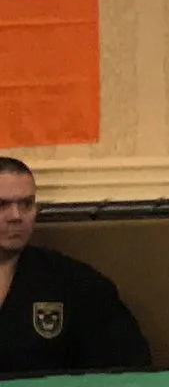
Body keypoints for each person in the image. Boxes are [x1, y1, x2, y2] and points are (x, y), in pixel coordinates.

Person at [0, 157, 151, 375]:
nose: (16, 216)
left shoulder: (76, 284)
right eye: (2, 204)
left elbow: (128, 366)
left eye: (26, 204)